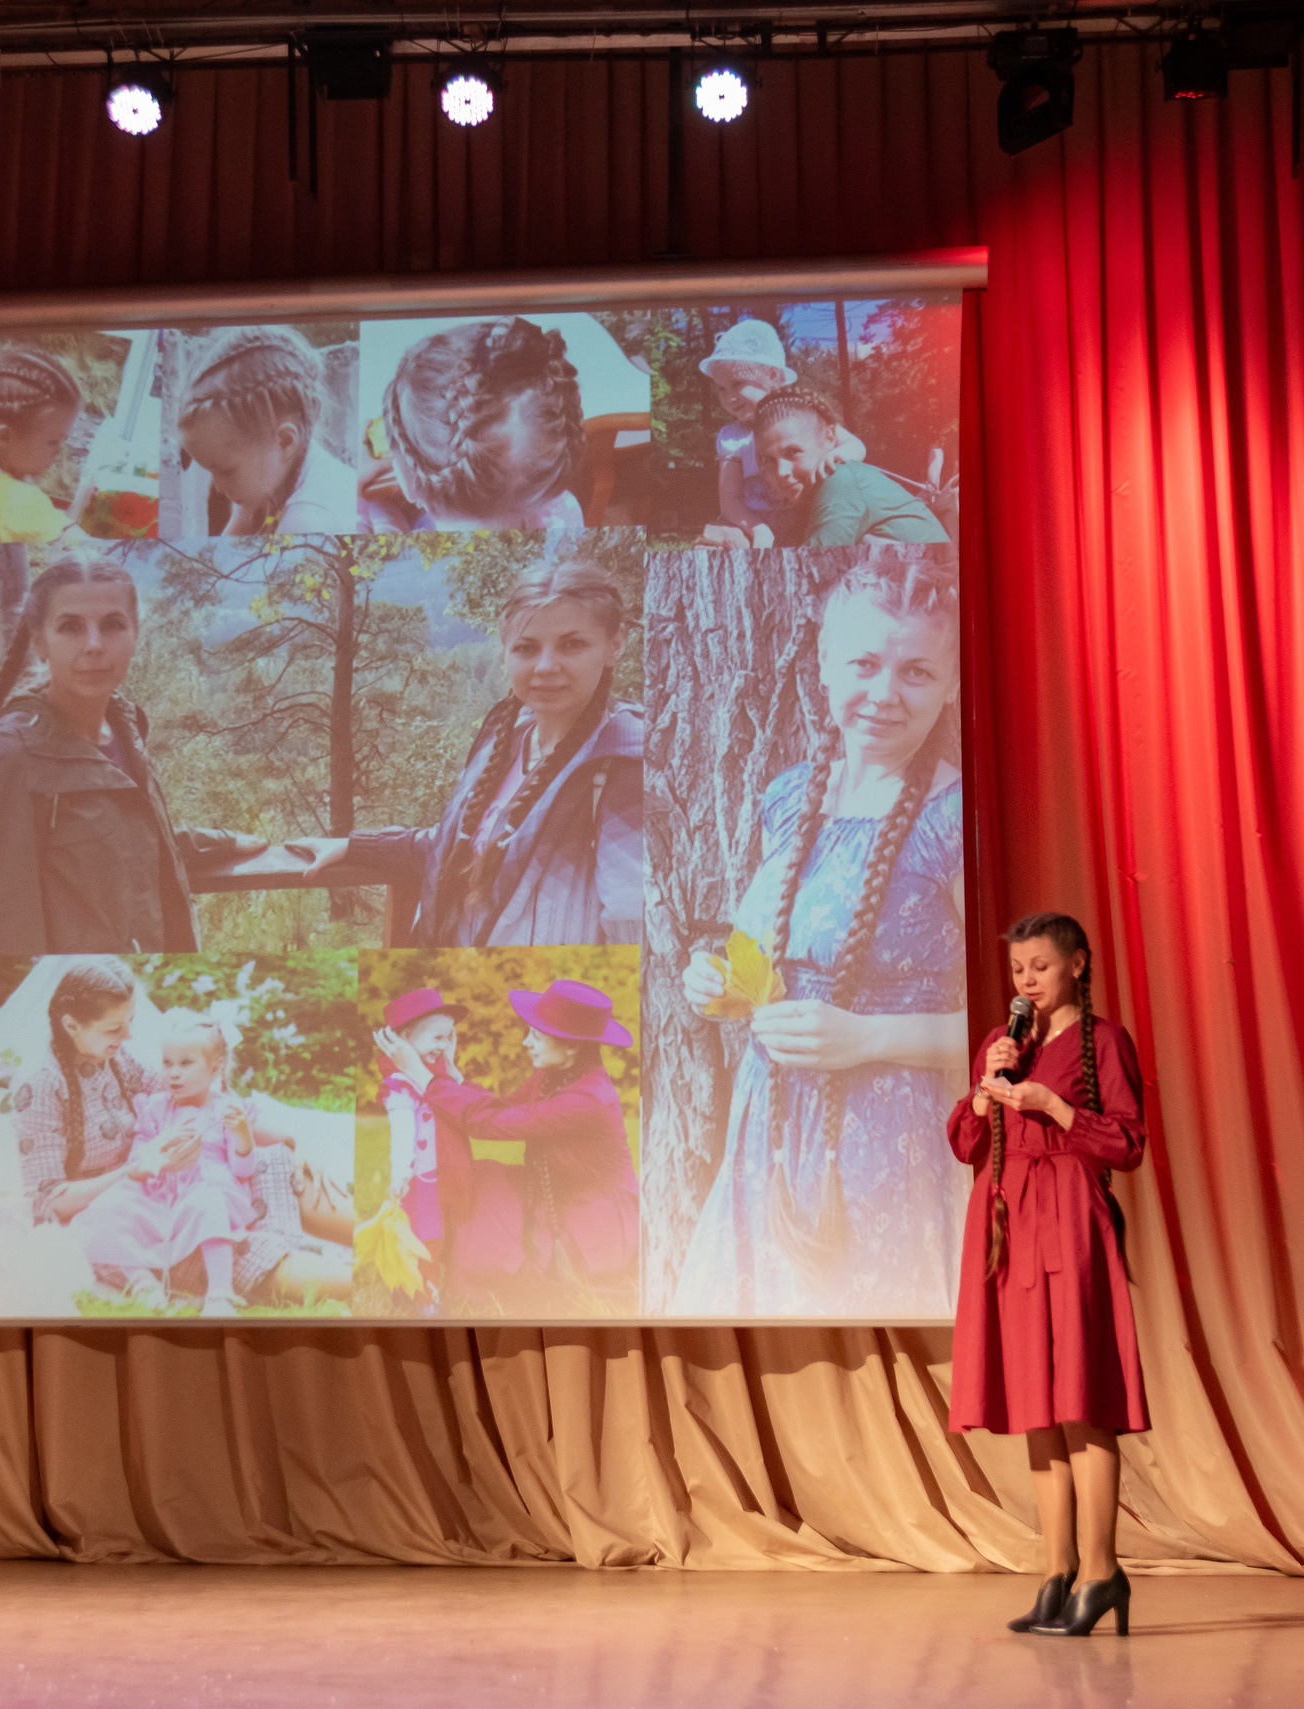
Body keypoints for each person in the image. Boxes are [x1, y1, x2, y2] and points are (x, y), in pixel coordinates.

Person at [671, 555, 969, 1316]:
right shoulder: (785, 797)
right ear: (824, 663)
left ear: (952, 683)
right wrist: (712, 979)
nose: (884, 694)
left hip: (883, 1147)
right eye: (864, 663)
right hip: (766, 1137)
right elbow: (751, 953)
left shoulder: (957, 819)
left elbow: (1023, 1036)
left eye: (917, 672)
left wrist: (867, 1039)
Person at [948, 913, 1149, 1639]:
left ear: (1077, 965)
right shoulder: (1007, 1047)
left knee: (1080, 1398)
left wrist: (1054, 1106)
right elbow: (966, 1140)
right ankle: (1056, 1570)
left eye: (1040, 965)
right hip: (1008, 1222)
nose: (1027, 979)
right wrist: (986, 1084)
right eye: (1019, 968)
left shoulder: (1104, 1042)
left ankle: (1102, 1570)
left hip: (1069, 1215)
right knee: (1037, 1401)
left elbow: (1127, 1142)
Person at [295, 551, 642, 946]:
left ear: (614, 645)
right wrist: (355, 845)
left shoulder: (623, 763)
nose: (546, 666)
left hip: (542, 996)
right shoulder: (507, 740)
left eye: (572, 644)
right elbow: (458, 843)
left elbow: (633, 924)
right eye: (526, 649)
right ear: (505, 654)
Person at [0, 553, 262, 956]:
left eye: (112, 625)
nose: (94, 645)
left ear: (135, 635)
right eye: (71, 627)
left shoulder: (123, 729)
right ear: (40, 641)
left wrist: (222, 844)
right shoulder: (7, 760)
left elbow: (118, 839)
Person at [12, 959, 352, 1310]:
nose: (127, 1037)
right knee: (237, 1246)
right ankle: (372, 1274)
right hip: (124, 1215)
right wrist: (135, 1170)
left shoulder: (114, 1059)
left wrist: (296, 1138)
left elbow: (200, 1099)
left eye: (129, 1023)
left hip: (176, 1177)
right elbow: (49, 1203)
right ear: (72, 1026)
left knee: (278, 1161)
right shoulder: (40, 1086)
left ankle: (379, 1238)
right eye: (115, 1028)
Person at [374, 978, 641, 1316]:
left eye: (537, 1036)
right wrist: (452, 1074)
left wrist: (422, 1075)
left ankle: (505, 1271)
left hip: (594, 1209)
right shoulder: (555, 1074)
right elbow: (500, 1107)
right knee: (479, 1176)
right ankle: (450, 1272)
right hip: (552, 1191)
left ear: (571, 1047)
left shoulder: (588, 1099)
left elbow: (489, 1125)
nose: (525, 1042)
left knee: (533, 1272)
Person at [72, 1011, 290, 1316]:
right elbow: (139, 1158)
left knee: (208, 1203)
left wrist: (243, 1135)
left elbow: (243, 1170)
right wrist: (159, 1153)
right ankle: (143, 1283)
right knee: (108, 1206)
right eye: (167, 1063)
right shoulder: (156, 1108)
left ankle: (220, 1294)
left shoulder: (225, 1110)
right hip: (159, 1191)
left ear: (215, 1070)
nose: (173, 1073)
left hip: (204, 1188)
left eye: (186, 1064)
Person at [361, 317, 588, 533]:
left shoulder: (394, 534)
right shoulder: (565, 511)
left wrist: (358, 481)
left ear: (408, 480)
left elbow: (378, 524)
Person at [176, 327, 359, 536]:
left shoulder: (306, 523)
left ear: (285, 441)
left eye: (226, 471)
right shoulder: (270, 478)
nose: (217, 487)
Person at [699, 319, 866, 537]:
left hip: (808, 520)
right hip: (753, 526)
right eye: (722, 389)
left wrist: (835, 456)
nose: (729, 398)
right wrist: (759, 531)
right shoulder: (732, 437)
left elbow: (856, 445)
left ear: (773, 376)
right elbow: (730, 500)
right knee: (720, 539)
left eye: (738, 384)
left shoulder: (798, 418)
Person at [746, 387, 948, 548]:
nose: (781, 472)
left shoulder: (840, 480)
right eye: (768, 460)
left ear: (829, 438)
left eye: (792, 452)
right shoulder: (809, 502)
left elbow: (810, 570)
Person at [375, 987, 467, 1306]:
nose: (442, 1046)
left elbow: (461, 1102)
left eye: (448, 1038)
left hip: (441, 1175)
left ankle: (425, 1286)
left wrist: (451, 1064)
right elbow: (402, 1132)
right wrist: (400, 1173)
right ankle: (422, 1293)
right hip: (419, 1179)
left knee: (439, 1232)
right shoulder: (401, 1087)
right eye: (436, 1038)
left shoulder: (436, 1078)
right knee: (422, 1234)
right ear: (405, 1037)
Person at [0, 347, 85, 547]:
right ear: (4, 437)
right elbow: (84, 549)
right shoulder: (23, 502)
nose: (59, 451)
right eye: (53, 441)